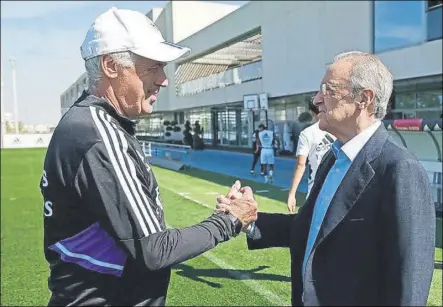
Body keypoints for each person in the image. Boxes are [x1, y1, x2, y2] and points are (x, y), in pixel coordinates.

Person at [39, 7, 257, 306]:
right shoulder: (96, 133)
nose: (163, 79)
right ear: (111, 65)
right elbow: (154, 250)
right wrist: (228, 221)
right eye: (153, 67)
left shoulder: (95, 125)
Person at [218, 51, 436, 306]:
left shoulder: (399, 169)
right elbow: (310, 227)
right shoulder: (333, 158)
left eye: (328, 90)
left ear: (364, 99)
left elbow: (409, 278)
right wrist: (250, 219)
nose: (317, 99)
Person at [287, 99, 335, 213]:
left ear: (312, 113)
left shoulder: (307, 133)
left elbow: (301, 164)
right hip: (338, 186)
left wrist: (292, 193)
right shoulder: (339, 127)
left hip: (316, 189)